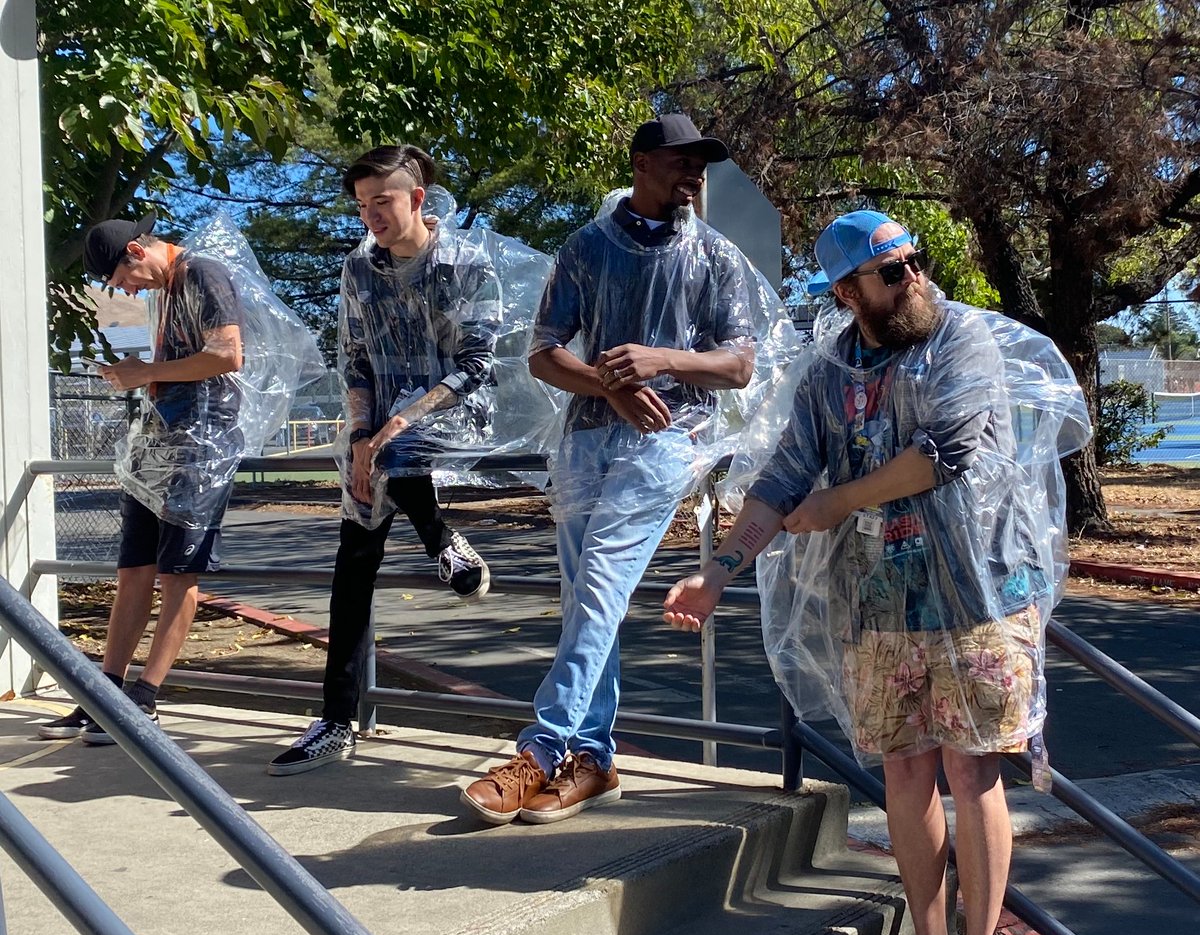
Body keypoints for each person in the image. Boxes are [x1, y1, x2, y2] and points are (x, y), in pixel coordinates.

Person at [662, 210, 1090, 935]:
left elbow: (949, 450)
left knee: (973, 778)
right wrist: (717, 572)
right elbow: (786, 472)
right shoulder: (830, 375)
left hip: (982, 599)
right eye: (890, 272)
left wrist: (839, 502)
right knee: (904, 777)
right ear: (848, 291)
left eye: (914, 262)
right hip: (881, 608)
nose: (912, 279)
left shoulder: (962, 341)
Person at [462, 113, 756, 825]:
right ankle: (593, 761)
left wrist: (661, 360)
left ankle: (538, 750)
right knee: (583, 602)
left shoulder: (714, 257)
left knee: (597, 590)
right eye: (681, 161)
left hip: (665, 445)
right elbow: (542, 352)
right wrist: (609, 387)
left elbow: (740, 364)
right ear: (641, 162)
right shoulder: (587, 247)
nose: (694, 175)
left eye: (701, 165)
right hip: (587, 442)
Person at [268, 144, 497, 776]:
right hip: (384, 432)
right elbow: (358, 360)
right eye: (362, 204)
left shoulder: (466, 264)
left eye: (384, 201)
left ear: (417, 199)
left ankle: (438, 537)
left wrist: (393, 427)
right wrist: (362, 435)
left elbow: (480, 366)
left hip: (454, 411)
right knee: (353, 559)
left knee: (392, 452)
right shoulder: (357, 269)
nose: (371, 215)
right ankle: (336, 719)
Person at [40, 214, 245, 743]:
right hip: (154, 441)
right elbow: (147, 356)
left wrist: (144, 373)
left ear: (137, 249)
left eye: (123, 279)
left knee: (179, 574)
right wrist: (133, 364)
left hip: (203, 443)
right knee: (133, 569)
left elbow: (228, 355)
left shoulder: (202, 272)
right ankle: (103, 696)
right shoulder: (158, 291)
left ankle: (144, 701)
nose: (125, 289)